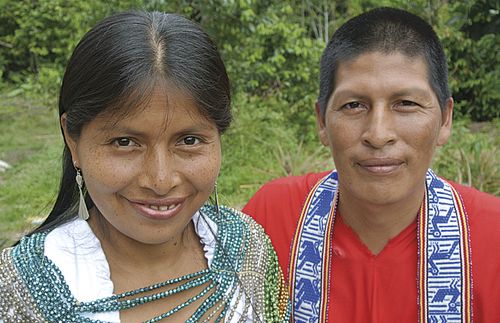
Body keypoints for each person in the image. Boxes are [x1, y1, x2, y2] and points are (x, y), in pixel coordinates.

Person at [0, 11, 290, 322]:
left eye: (189, 140)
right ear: (73, 141)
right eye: (125, 142)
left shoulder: (249, 251)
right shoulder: (23, 292)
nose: (161, 180)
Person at [243, 7, 500, 323]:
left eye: (406, 104)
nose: (378, 135)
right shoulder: (272, 218)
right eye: (353, 105)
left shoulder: (492, 236)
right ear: (322, 121)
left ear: (445, 119)